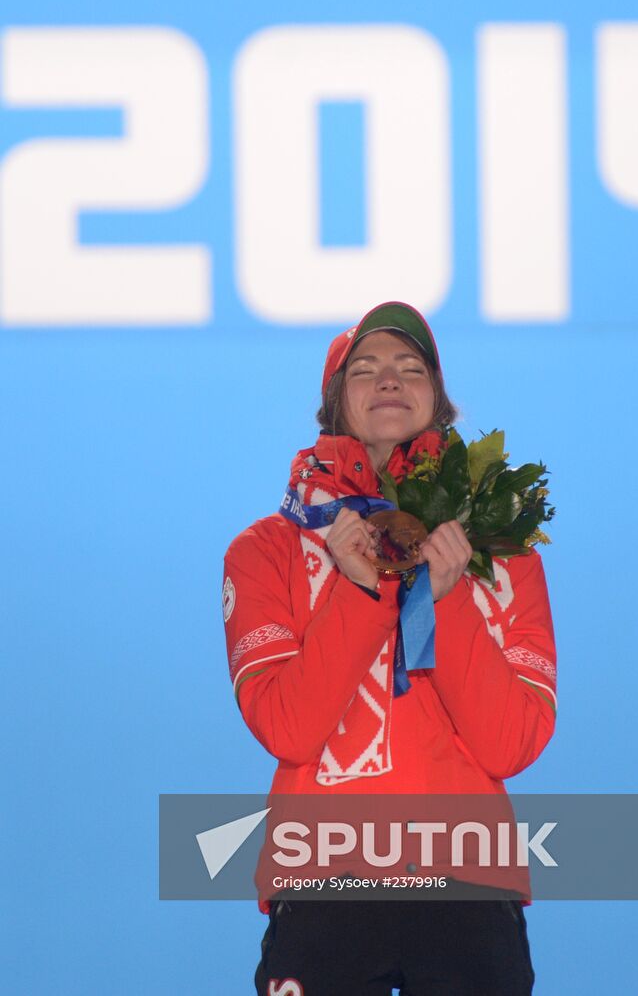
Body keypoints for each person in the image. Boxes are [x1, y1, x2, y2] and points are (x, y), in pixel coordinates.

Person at [222, 301, 557, 995]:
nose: (389, 381)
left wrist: (447, 594)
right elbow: (289, 727)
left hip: (466, 875)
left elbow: (510, 745)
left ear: (437, 400)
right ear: (332, 405)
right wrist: (364, 590)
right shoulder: (266, 552)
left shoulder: (503, 552)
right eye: (365, 369)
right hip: (323, 873)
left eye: (411, 368)